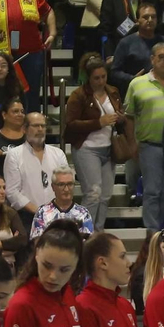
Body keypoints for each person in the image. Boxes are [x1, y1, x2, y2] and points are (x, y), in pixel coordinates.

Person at [63, 55, 126, 230]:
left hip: (109, 148)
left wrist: (120, 118)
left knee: (105, 196)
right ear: (88, 78)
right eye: (96, 78)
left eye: (103, 77)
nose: (100, 81)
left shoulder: (113, 91)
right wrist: (99, 122)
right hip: (87, 149)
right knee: (93, 194)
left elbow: (118, 116)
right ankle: (83, 232)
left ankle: (98, 232)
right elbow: (71, 124)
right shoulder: (78, 95)